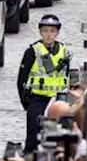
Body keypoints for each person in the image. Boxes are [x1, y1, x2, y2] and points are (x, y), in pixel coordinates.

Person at [16, 14, 70, 153]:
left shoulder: (64, 51)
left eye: (52, 31)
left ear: (57, 32)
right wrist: (25, 102)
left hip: (57, 100)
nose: (49, 35)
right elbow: (21, 79)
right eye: (45, 31)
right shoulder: (32, 51)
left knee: (58, 136)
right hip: (37, 98)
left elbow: (67, 75)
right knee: (33, 135)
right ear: (40, 32)